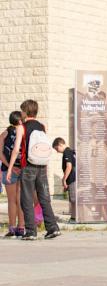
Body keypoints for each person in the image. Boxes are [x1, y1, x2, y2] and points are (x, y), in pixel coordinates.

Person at [8, 100, 60, 239]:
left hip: (28, 166)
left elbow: (15, 150)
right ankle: (53, 228)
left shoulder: (21, 127)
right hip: (42, 166)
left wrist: (10, 169)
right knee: (44, 198)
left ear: (25, 112)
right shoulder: (42, 126)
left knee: (26, 198)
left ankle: (31, 231)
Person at [3, 112, 24, 238]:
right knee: (20, 199)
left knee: (11, 200)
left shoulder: (5, 134)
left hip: (7, 169)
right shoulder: (24, 132)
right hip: (21, 169)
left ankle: (12, 228)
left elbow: (0, 153)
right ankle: (21, 227)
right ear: (20, 121)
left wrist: (8, 165)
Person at [53, 138, 75, 221]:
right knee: (73, 199)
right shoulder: (71, 151)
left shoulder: (67, 152)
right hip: (73, 178)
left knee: (73, 199)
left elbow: (69, 166)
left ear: (60, 144)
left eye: (56, 148)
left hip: (72, 178)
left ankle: (74, 218)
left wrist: (64, 179)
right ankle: (73, 217)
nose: (57, 151)